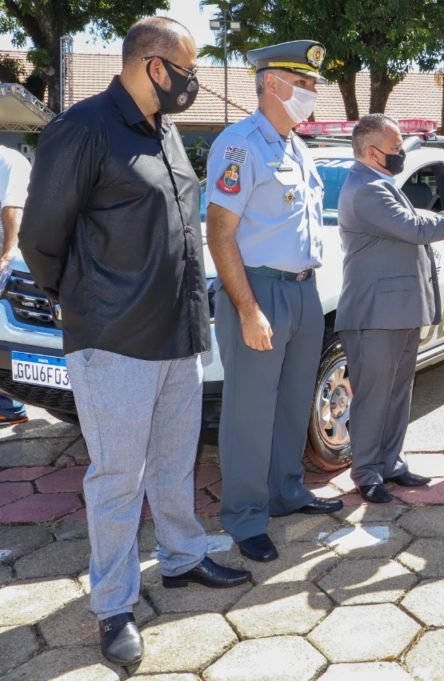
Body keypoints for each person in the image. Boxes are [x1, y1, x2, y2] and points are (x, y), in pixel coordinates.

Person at [20, 17, 251, 668]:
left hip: (177, 331)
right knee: (119, 478)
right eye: (188, 69)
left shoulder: (166, 131)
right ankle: (114, 605)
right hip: (114, 338)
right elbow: (41, 237)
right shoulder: (83, 130)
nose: (193, 83)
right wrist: (86, 297)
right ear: (156, 67)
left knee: (175, 462)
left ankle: (181, 557)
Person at [205, 40, 342, 563]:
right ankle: (244, 516)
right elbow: (221, 234)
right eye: (302, 83)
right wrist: (246, 309)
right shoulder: (239, 145)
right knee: (249, 410)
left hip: (304, 291)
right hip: (259, 290)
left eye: (312, 85)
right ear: (270, 83)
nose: (310, 93)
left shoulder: (295, 147)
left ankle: (286, 492)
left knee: (290, 403)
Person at [335, 115, 444, 503]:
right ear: (372, 152)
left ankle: (390, 462)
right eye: (396, 147)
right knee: (374, 395)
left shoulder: (380, 183)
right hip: (376, 315)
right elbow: (415, 228)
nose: (402, 153)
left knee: (398, 392)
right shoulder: (367, 189)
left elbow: (416, 220)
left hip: (399, 310)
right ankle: (367, 471)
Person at [0, 145, 32, 424]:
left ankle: (9, 408)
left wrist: (8, 253)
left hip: (9, 265)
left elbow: (13, 208)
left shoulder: (10, 160)